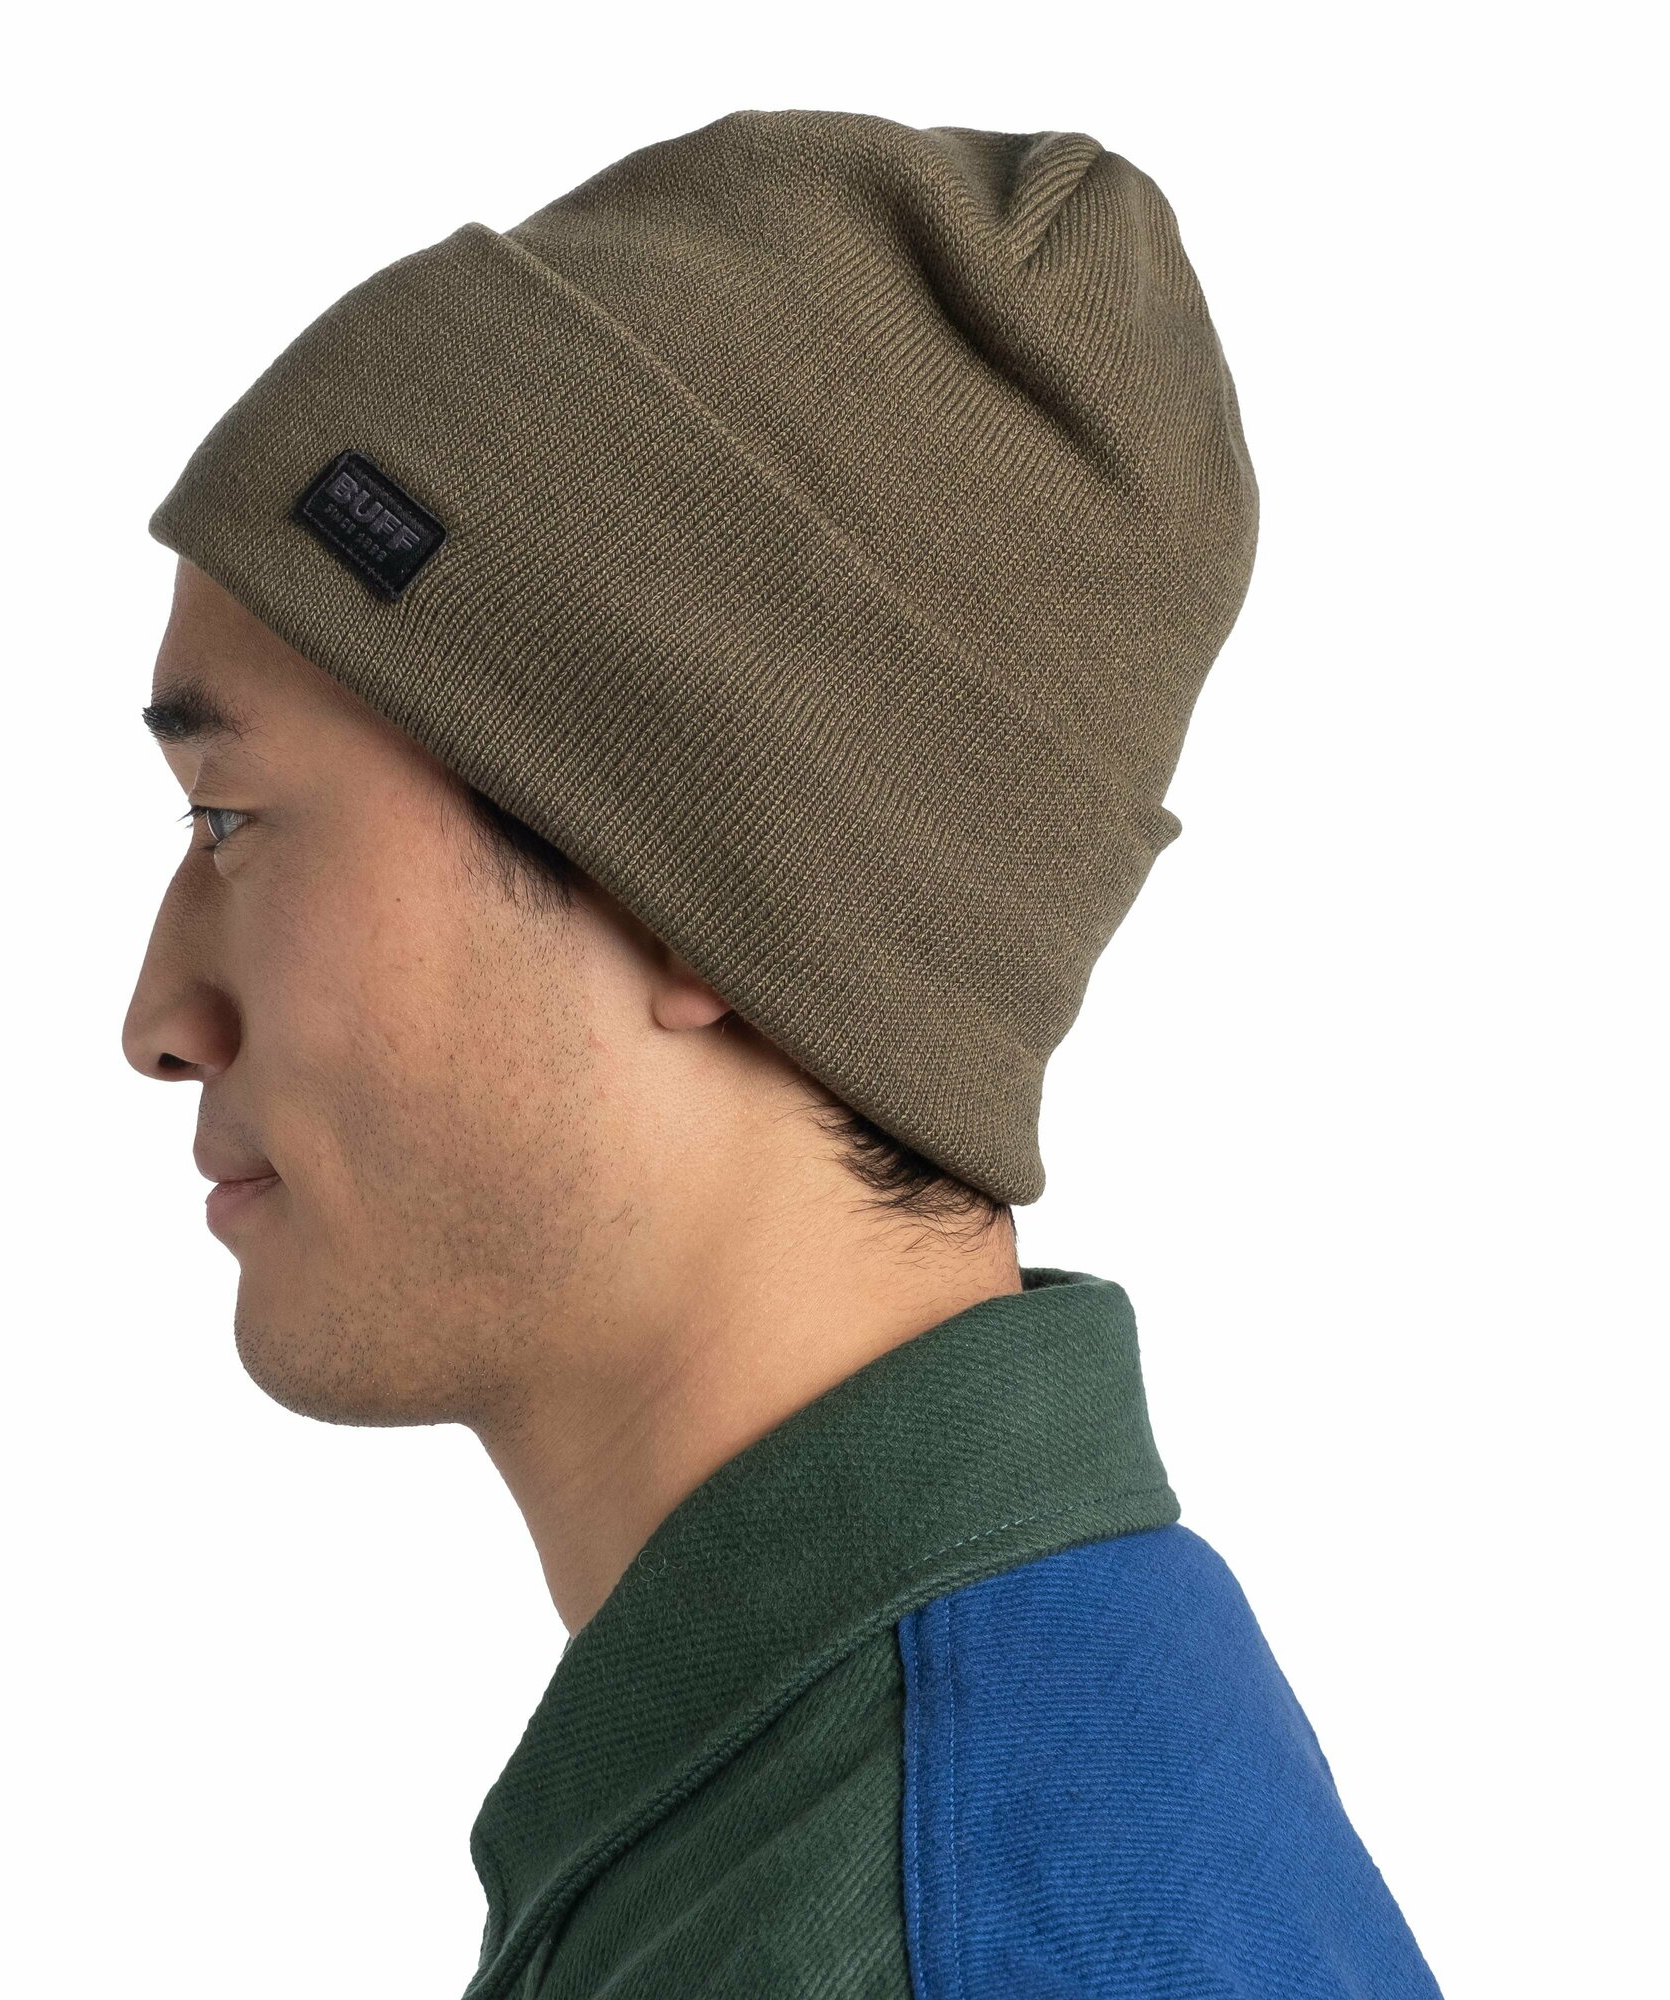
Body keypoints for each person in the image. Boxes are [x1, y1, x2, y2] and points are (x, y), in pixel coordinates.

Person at [123, 108, 1444, 1998]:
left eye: (232, 819)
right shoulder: (890, 1785)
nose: (158, 1019)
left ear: (691, 874)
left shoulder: (932, 1932)